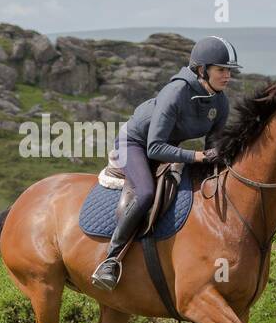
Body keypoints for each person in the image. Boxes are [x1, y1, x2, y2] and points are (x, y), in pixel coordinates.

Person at [90, 36, 240, 291]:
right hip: (135, 145)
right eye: (221, 70)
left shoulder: (220, 100)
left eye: (229, 71)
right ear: (202, 70)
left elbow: (211, 148)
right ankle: (110, 260)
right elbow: (154, 147)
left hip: (166, 147)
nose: (227, 76)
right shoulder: (176, 93)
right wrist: (195, 157)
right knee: (146, 193)